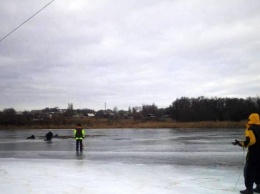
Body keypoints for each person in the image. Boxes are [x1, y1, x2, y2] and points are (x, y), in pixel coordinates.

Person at [232, 113, 260, 194]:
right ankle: (259, 186)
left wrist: (241, 144)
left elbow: (251, 141)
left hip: (254, 154)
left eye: (249, 119)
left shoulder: (250, 129)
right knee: (258, 170)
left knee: (249, 171)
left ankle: (249, 189)